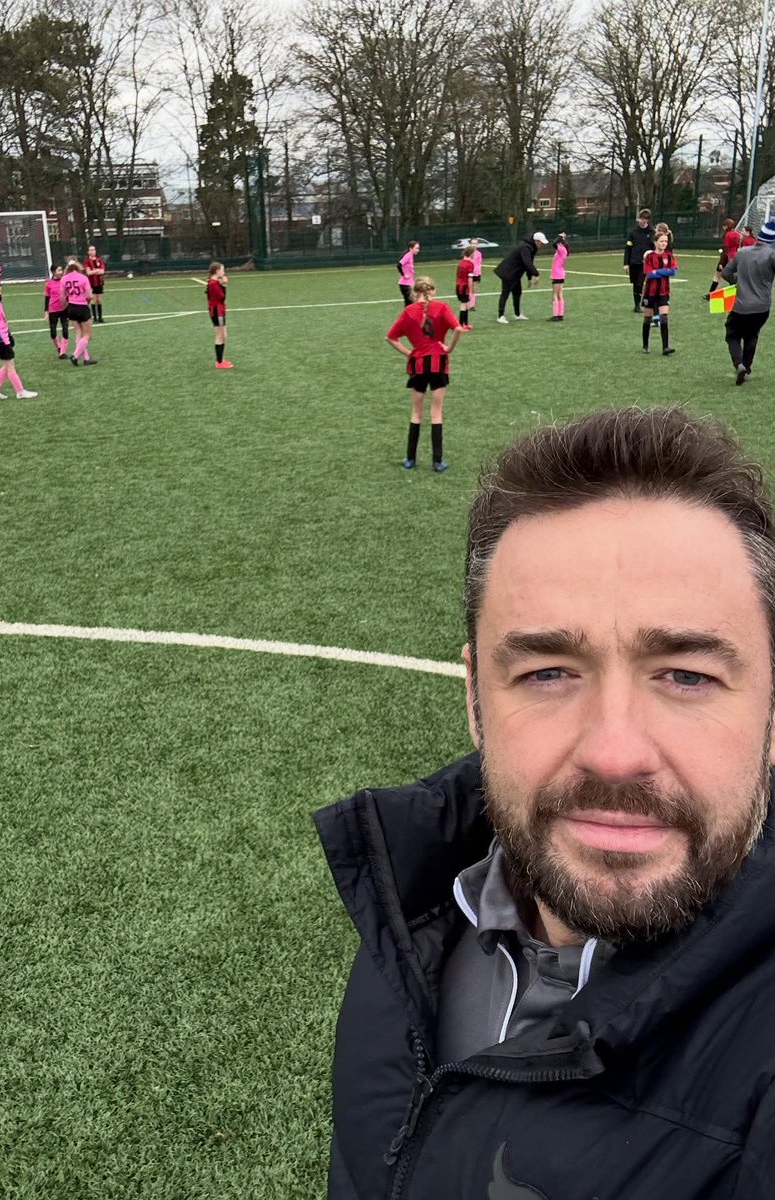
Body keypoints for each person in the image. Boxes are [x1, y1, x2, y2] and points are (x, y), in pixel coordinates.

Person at [316, 404, 775, 1200]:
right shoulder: (414, 902)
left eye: (686, 675)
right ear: (473, 697)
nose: (614, 752)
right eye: (548, 673)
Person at [385, 276, 461, 472]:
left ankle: (410, 459)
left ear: (414, 292)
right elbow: (458, 329)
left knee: (416, 413)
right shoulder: (442, 307)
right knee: (436, 413)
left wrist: (409, 352)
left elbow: (390, 337)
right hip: (438, 364)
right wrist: (449, 348)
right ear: (432, 291)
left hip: (417, 365)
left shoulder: (409, 311)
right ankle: (437, 461)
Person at [720, 215, 775, 384]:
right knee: (752, 335)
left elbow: (726, 273)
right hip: (762, 306)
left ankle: (739, 364)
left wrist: (737, 281)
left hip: (741, 304)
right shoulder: (771, 255)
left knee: (732, 335)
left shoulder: (742, 252)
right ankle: (746, 367)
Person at [0, 277, 37, 399]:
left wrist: (8, 334)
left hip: (3, 336)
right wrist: (1, 340)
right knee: (10, 366)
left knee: (7, 365)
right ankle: (20, 392)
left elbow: (1, 320)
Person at [493, 232, 547, 323]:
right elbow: (527, 263)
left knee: (517, 292)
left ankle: (517, 314)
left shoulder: (532, 248)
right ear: (537, 241)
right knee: (505, 294)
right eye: (541, 243)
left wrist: (529, 278)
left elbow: (529, 263)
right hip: (508, 272)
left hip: (515, 274)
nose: (542, 245)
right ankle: (500, 316)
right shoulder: (525, 248)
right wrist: (536, 274)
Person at [640, 228, 677, 355]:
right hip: (650, 292)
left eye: (665, 241)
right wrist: (664, 271)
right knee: (647, 319)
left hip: (663, 292)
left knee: (664, 318)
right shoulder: (650, 257)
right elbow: (649, 274)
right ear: (655, 242)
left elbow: (673, 271)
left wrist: (658, 271)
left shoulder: (669, 256)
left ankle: (665, 347)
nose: (664, 243)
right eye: (661, 241)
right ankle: (645, 345)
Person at [63, 260, 98, 366]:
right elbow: (89, 296)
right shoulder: (83, 278)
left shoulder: (64, 279)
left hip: (71, 307)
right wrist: (87, 302)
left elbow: (62, 296)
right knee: (87, 335)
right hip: (82, 307)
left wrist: (66, 308)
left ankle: (86, 358)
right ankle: (75, 356)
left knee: (78, 333)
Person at [623, 208, 653, 311]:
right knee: (635, 284)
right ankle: (636, 305)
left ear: (648, 220)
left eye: (645, 219)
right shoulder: (633, 232)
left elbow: (654, 248)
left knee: (640, 283)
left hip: (645, 263)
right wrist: (626, 263)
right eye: (641, 218)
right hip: (634, 262)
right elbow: (628, 248)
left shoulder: (651, 232)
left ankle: (642, 304)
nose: (642, 220)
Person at [704, 217, 742, 299]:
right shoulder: (737, 234)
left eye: (724, 225)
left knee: (718, 275)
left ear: (726, 226)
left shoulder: (727, 234)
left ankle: (711, 294)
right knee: (732, 275)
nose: (723, 227)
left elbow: (725, 250)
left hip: (728, 257)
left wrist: (721, 262)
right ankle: (735, 294)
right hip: (736, 256)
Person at [206, 262, 232, 369]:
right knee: (220, 336)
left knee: (223, 335)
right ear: (217, 271)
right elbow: (222, 297)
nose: (224, 272)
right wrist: (224, 284)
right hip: (217, 312)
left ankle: (220, 359)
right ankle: (219, 362)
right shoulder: (213, 284)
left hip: (218, 311)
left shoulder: (214, 282)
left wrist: (221, 283)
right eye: (222, 270)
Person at [43, 264, 69, 360]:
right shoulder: (49, 284)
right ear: (53, 272)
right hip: (53, 310)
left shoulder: (65, 281)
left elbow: (68, 295)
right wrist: (46, 311)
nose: (61, 272)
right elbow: (47, 298)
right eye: (59, 270)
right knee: (53, 332)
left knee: (65, 329)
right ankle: (59, 347)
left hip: (64, 309)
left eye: (61, 270)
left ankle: (63, 352)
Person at [549, 232, 569, 321]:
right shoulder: (564, 250)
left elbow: (554, 243)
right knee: (560, 294)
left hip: (557, 274)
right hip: (561, 273)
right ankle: (560, 314)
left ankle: (556, 315)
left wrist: (560, 237)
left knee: (555, 295)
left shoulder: (561, 249)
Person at [454, 245, 475, 329]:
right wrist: (471, 290)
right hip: (464, 287)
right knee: (463, 305)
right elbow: (470, 279)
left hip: (458, 286)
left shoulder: (460, 262)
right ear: (471, 253)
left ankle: (465, 324)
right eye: (473, 253)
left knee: (465, 304)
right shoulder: (470, 264)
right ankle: (461, 325)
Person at [84, 244, 106, 323]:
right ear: (88, 252)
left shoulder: (99, 260)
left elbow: (102, 271)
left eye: (94, 250)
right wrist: (97, 270)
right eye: (91, 250)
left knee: (99, 300)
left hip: (99, 283)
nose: (93, 251)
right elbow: (88, 272)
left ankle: (100, 317)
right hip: (91, 283)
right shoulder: (87, 261)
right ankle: (94, 318)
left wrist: (94, 271)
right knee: (93, 300)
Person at [397, 242, 420, 306]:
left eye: (418, 248)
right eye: (416, 248)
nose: (418, 250)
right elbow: (399, 265)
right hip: (406, 285)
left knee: (410, 304)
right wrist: (404, 275)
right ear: (411, 248)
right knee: (411, 304)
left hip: (408, 284)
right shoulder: (408, 255)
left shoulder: (410, 255)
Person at [468, 239, 483, 311]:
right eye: (473, 243)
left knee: (474, 289)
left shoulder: (479, 253)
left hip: (476, 274)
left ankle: (472, 305)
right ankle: (467, 304)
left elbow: (479, 264)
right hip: (468, 274)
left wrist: (479, 273)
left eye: (475, 243)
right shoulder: (467, 253)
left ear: (477, 245)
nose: (474, 245)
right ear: (470, 244)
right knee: (468, 288)